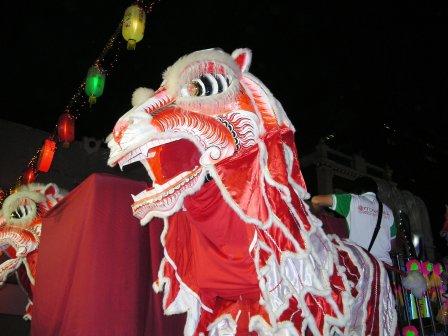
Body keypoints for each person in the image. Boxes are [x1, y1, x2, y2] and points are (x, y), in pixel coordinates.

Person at [311, 176, 397, 265]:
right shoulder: (389, 212)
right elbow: (392, 246)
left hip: (362, 268)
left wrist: (320, 216)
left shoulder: (352, 200)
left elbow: (315, 200)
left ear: (356, 190)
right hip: (385, 269)